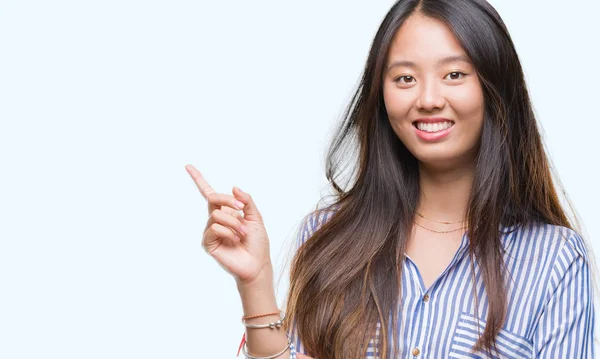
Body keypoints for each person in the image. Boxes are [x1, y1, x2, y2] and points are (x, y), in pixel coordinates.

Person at [186, 0, 597, 358]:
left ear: (495, 87)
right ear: (380, 96)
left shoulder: (553, 261)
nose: (429, 98)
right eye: (405, 78)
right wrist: (255, 282)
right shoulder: (330, 240)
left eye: (455, 74)